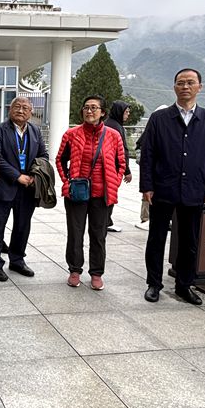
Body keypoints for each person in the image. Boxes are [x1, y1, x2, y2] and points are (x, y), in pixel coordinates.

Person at [140, 69, 205, 305]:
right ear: (174, 87)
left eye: (190, 82)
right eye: (180, 83)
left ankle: (184, 285)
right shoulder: (159, 118)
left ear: (199, 87)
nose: (185, 87)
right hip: (163, 187)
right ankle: (154, 284)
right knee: (156, 239)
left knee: (189, 241)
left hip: (195, 188)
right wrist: (147, 186)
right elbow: (148, 154)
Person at [56, 95, 126, 290]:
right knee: (75, 233)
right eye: (86, 107)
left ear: (103, 112)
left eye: (94, 108)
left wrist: (114, 183)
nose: (89, 111)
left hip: (102, 195)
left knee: (98, 235)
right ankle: (74, 270)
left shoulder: (113, 135)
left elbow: (121, 163)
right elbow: (60, 159)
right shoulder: (72, 134)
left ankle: (96, 273)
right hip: (77, 193)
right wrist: (67, 181)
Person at [0, 96, 49, 281]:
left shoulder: (35, 131)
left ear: (31, 112)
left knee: (22, 226)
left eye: (25, 108)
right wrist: (17, 176)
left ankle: (17, 260)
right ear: (10, 109)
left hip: (28, 188)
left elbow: (43, 155)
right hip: (4, 187)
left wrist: (35, 175)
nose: (21, 111)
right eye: (17, 107)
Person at [104, 100, 133, 232]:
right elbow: (122, 151)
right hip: (113, 168)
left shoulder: (107, 124)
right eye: (126, 112)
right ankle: (106, 222)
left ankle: (106, 221)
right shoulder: (116, 127)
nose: (128, 115)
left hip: (108, 166)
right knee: (110, 194)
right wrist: (127, 170)